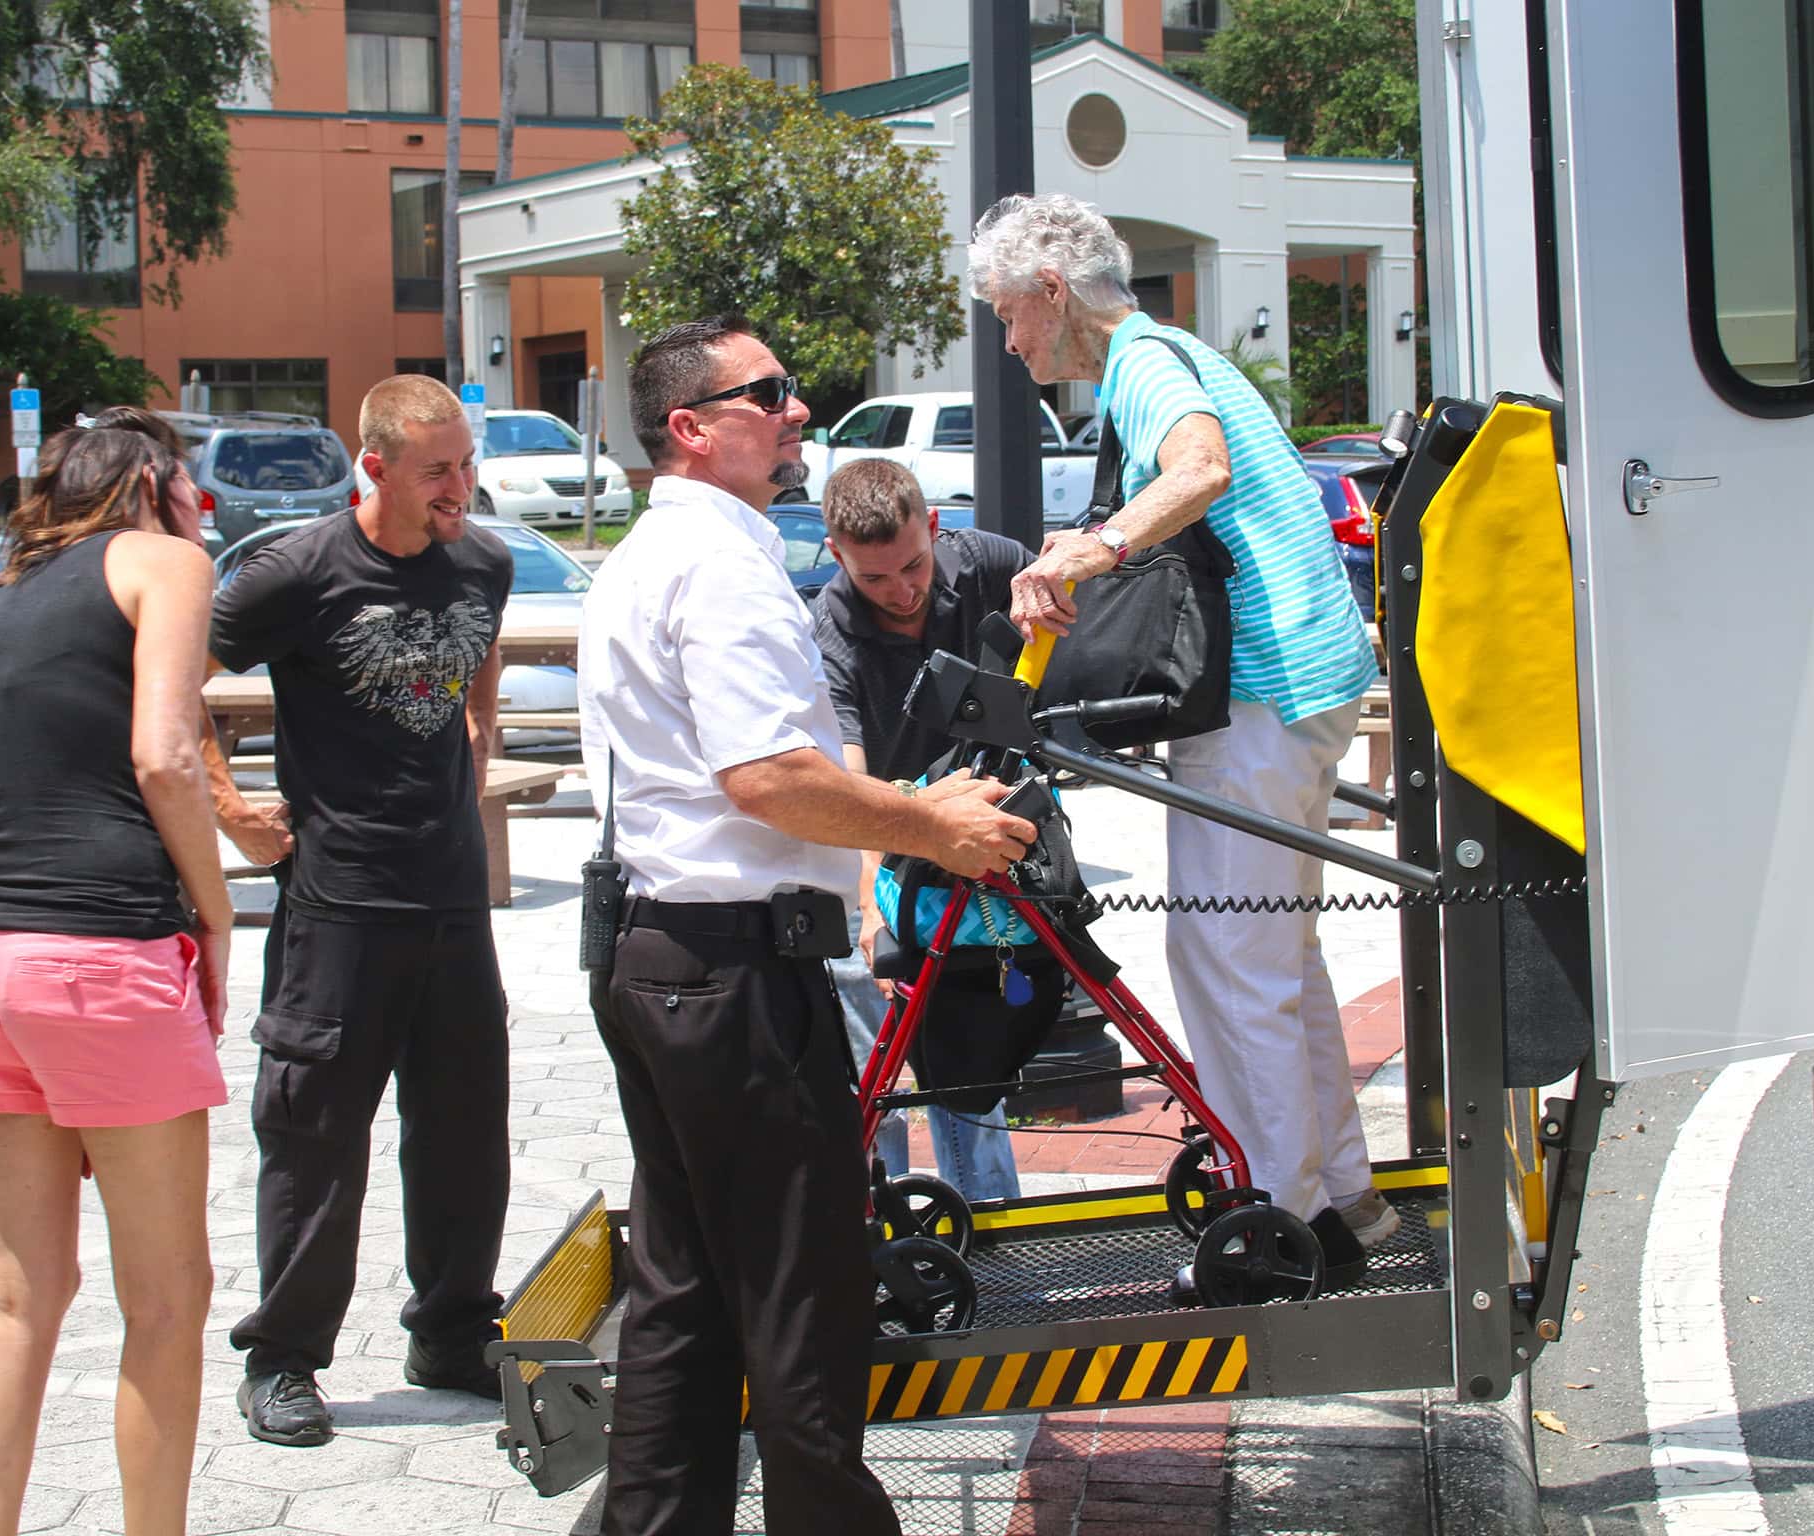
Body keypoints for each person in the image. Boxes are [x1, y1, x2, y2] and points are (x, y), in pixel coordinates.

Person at [578, 314, 1037, 1536]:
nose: (794, 409)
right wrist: (927, 823)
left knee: (686, 1298)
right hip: (731, 970)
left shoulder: (645, 555)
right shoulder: (721, 562)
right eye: (766, 392)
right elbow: (768, 775)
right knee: (802, 1297)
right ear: (691, 427)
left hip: (662, 959)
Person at [966, 193, 1397, 1288]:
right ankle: (1342, 1197)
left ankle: (1284, 1226)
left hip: (1262, 695)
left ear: (1053, 294)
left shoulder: (1144, 366)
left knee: (1223, 955)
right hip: (1308, 679)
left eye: (1009, 314)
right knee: (1275, 957)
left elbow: (1199, 470)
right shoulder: (1173, 350)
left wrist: (1088, 551)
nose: (1009, 343)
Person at [0, 406, 231, 1536]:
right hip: (102, 953)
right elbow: (165, 754)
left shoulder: (13, 591)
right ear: (156, 481)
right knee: (167, 1299)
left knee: (22, 1291)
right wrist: (214, 917)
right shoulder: (161, 558)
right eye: (192, 484)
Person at [203, 374, 515, 1446]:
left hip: (452, 901)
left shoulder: (485, 559)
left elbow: (479, 669)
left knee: (468, 1133)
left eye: (466, 464)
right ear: (371, 466)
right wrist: (229, 806)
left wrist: (477, 747)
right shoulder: (292, 570)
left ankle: (454, 1332)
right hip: (337, 906)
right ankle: (283, 1360)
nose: (460, 489)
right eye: (439, 472)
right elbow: (168, 680)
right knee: (313, 1137)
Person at [814, 458, 1032, 1202]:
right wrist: (875, 904)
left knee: (960, 1041)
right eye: (875, 579)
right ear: (836, 552)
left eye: (913, 565)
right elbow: (847, 780)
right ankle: (890, 1212)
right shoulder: (829, 629)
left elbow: (1065, 610)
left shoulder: (990, 563)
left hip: (968, 832)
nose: (902, 592)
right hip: (875, 831)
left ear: (935, 527)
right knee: (874, 1040)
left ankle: (990, 1213)